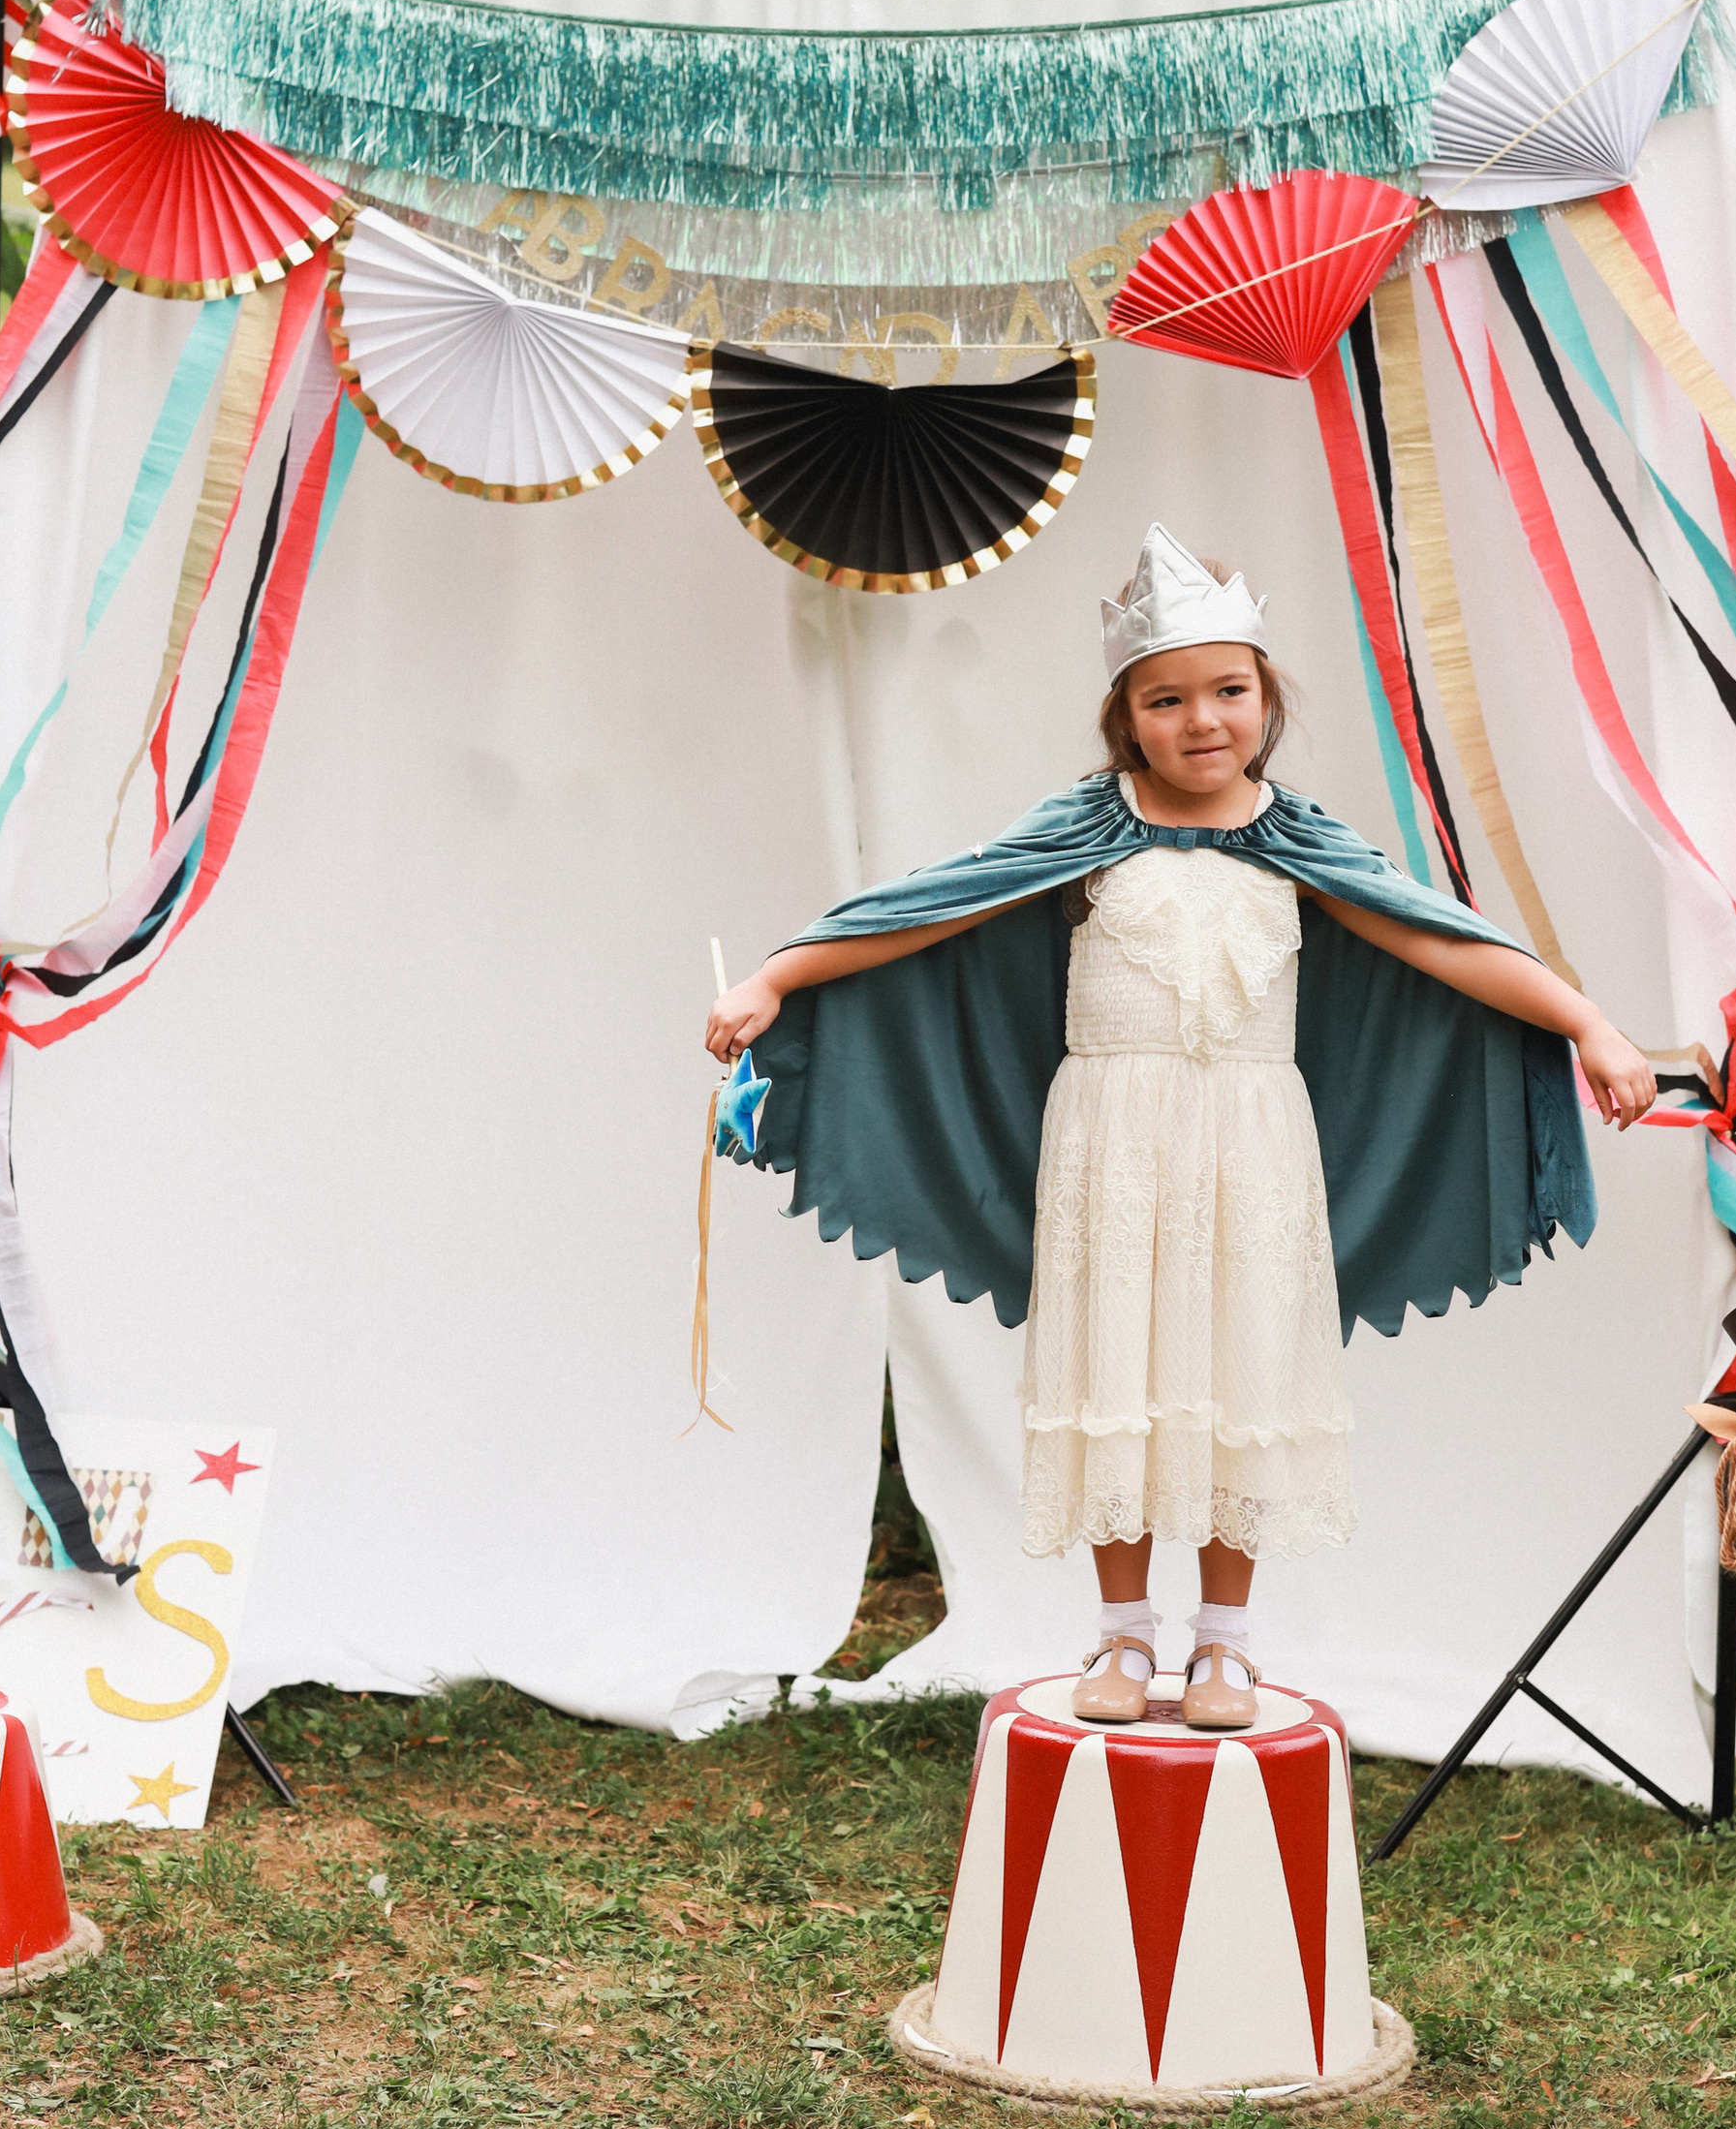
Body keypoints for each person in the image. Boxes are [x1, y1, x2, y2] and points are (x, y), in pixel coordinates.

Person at [705, 525, 1658, 1732]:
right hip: (1111, 1140)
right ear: (1126, 718)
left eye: (1227, 691)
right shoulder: (1085, 829)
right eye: (1165, 700)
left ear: (1265, 699)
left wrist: (1587, 1024)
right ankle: (1120, 1634)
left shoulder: (1296, 841)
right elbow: (926, 912)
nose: (1201, 719)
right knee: (1120, 1371)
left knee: (1234, 1378)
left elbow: (1439, 940)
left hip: (1252, 1144)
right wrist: (778, 977)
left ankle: (1224, 1647)